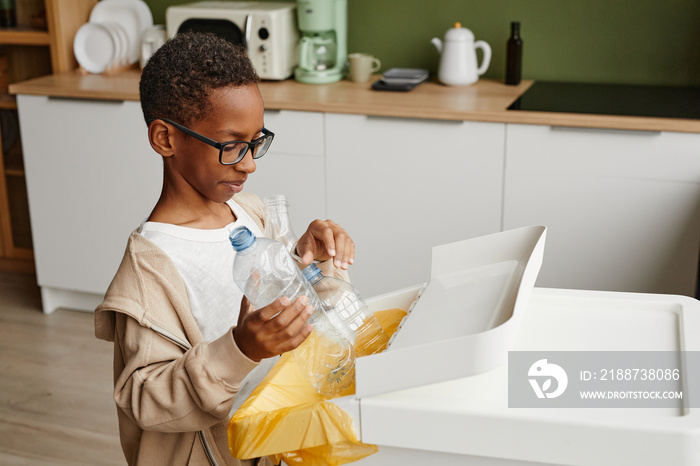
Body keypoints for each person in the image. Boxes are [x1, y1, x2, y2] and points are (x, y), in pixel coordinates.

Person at [94, 32, 354, 466]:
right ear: (165, 139)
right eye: (231, 146)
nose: (250, 163)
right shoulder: (148, 271)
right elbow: (146, 400)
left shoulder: (248, 213)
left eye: (256, 142)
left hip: (277, 442)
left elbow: (296, 312)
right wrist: (240, 350)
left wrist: (316, 264)